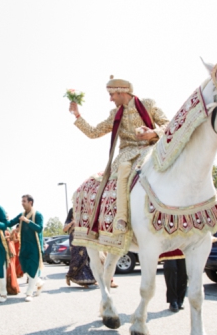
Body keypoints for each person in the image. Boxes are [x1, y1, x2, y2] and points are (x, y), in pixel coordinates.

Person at [69, 76, 168, 234]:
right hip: (126, 154)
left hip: (150, 148)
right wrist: (77, 116)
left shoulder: (148, 104)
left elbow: (168, 124)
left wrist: (153, 133)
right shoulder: (115, 114)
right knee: (123, 171)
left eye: (112, 95)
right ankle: (121, 218)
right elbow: (94, 132)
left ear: (122, 92)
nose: (110, 99)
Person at [8, 195, 45, 302]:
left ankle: (29, 293)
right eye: (22, 201)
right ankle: (39, 283)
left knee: (33, 269)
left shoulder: (38, 214)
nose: (22, 203)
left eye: (24, 201)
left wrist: (27, 221)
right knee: (25, 267)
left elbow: (39, 228)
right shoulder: (21, 215)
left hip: (35, 247)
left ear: (30, 202)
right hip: (24, 246)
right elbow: (10, 223)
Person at [63, 208, 96, 288]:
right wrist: (71, 223)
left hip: (83, 242)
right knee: (76, 261)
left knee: (84, 261)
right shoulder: (68, 221)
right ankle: (69, 276)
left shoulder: (81, 220)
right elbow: (64, 229)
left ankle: (86, 281)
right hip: (74, 244)